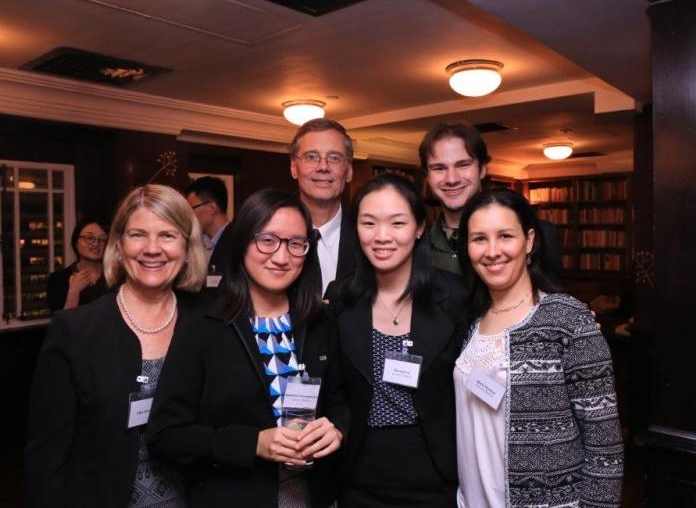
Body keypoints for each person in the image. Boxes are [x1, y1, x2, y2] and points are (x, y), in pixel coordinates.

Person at [148, 189, 343, 508]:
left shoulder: (318, 321)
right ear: (242, 243)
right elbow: (166, 435)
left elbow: (341, 402)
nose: (281, 257)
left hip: (310, 497)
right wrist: (253, 443)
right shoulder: (204, 324)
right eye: (267, 240)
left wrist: (337, 431)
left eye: (296, 244)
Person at [26, 184, 207, 508]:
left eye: (167, 235)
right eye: (138, 234)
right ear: (119, 245)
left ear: (186, 246)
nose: (152, 248)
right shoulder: (75, 331)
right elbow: (46, 457)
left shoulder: (208, 323)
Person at [454, 188, 623, 507]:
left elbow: (605, 448)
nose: (492, 251)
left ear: (529, 241)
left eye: (505, 236)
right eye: (479, 239)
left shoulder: (567, 320)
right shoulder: (468, 320)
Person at [326, 174, 467, 506]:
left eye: (397, 223)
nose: (382, 236)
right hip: (359, 475)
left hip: (435, 474)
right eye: (369, 223)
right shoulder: (341, 297)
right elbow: (335, 391)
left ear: (419, 227)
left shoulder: (454, 297)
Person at [418, 121, 563, 277]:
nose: (452, 179)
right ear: (427, 176)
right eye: (439, 168)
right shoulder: (416, 247)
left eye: (463, 165)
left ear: (482, 169)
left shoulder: (539, 235)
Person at [289, 118, 357, 294]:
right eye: (311, 157)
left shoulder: (369, 239)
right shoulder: (262, 234)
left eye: (334, 158)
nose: (323, 167)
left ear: (348, 171)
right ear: (294, 168)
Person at [46, 219, 109, 312]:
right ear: (76, 243)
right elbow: (61, 324)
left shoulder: (116, 277)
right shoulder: (58, 279)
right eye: (89, 238)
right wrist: (74, 292)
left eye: (102, 239)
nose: (96, 243)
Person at [185, 176, 232, 292]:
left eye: (191, 209)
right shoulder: (193, 243)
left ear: (211, 208)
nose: (188, 216)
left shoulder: (239, 240)